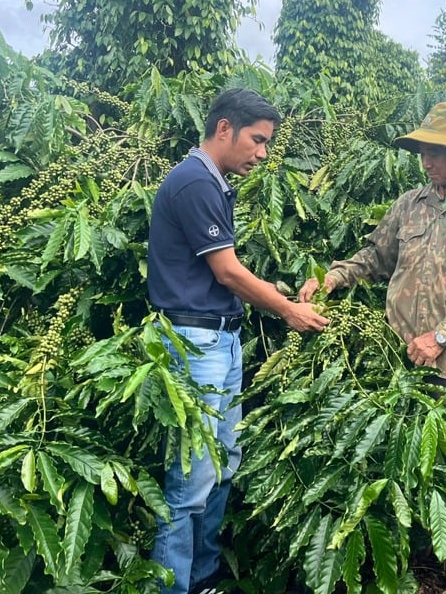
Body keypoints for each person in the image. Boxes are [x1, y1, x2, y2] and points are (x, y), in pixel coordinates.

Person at [298, 101, 446, 594]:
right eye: (422, 151)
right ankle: (406, 553)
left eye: (436, 152)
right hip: (395, 354)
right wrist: (332, 278)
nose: (427, 161)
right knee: (396, 451)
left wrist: (441, 335)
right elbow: (377, 256)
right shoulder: (410, 204)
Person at [148, 87, 329, 594]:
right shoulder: (193, 183)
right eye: (257, 140)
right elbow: (227, 273)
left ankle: (202, 576)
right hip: (195, 344)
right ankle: (172, 587)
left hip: (219, 344)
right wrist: (289, 309)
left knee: (222, 465)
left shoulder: (215, 182)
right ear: (223, 128)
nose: (263, 153)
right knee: (189, 482)